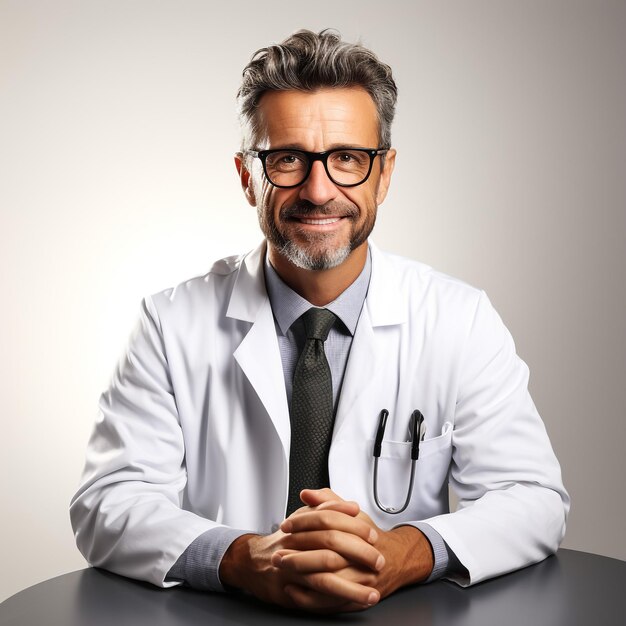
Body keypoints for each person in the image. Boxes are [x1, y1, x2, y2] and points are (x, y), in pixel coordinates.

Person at [70, 29, 569, 613]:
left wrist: (399, 553)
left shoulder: (459, 320)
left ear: (383, 175)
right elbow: (108, 499)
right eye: (287, 159)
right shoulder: (170, 321)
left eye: (348, 160)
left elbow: (533, 498)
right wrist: (246, 559)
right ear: (246, 176)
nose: (318, 189)